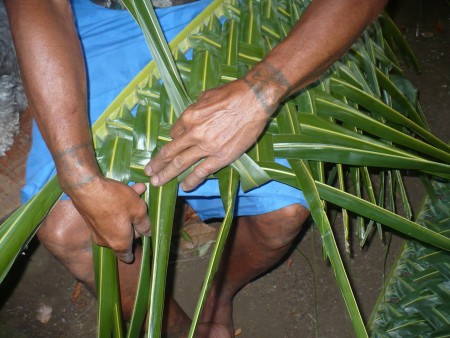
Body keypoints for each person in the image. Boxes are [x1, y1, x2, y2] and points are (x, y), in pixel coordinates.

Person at [5, 0, 386, 336]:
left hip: (245, 16)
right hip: (102, 18)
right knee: (66, 228)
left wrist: (260, 92)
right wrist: (80, 177)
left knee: (285, 214)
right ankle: (174, 328)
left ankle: (218, 295)